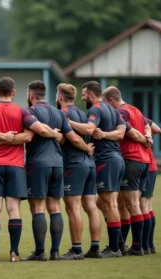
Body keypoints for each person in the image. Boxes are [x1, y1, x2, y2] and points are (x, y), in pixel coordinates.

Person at [0, 77, 61, 262]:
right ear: (13, 93)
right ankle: (14, 253)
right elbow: (32, 135)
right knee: (14, 209)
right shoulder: (22, 111)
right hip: (16, 166)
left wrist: (0, 137)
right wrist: (55, 133)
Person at [22, 81, 94, 261]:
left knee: (37, 207)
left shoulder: (30, 111)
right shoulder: (58, 113)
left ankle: (40, 252)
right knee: (55, 208)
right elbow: (72, 138)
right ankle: (55, 252)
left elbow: (31, 135)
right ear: (45, 95)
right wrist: (87, 148)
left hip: (38, 164)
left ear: (31, 96)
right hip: (58, 164)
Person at [68, 81, 126, 258]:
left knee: (109, 204)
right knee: (104, 204)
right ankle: (118, 245)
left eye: (84, 95)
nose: (83, 97)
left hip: (106, 160)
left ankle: (115, 248)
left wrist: (67, 122)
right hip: (117, 159)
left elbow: (89, 128)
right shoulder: (113, 110)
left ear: (91, 95)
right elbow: (121, 132)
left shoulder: (95, 109)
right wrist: (107, 135)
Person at [101, 86, 152, 256]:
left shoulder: (121, 112)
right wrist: (148, 138)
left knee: (132, 205)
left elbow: (129, 132)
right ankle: (141, 246)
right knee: (132, 205)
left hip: (132, 159)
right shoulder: (135, 109)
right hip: (144, 161)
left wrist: (143, 140)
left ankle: (137, 246)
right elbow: (148, 126)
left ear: (111, 101)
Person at [55, 83, 101, 259]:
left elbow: (71, 140)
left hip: (74, 165)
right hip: (89, 165)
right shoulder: (83, 114)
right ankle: (95, 247)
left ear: (60, 98)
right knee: (91, 207)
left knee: (73, 207)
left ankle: (76, 249)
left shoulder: (63, 114)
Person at [141, 118, 161, 254]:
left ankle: (146, 245)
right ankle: (149, 245)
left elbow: (157, 130)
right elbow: (157, 129)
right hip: (149, 165)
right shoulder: (140, 116)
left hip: (146, 164)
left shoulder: (129, 115)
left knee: (144, 205)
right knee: (146, 205)